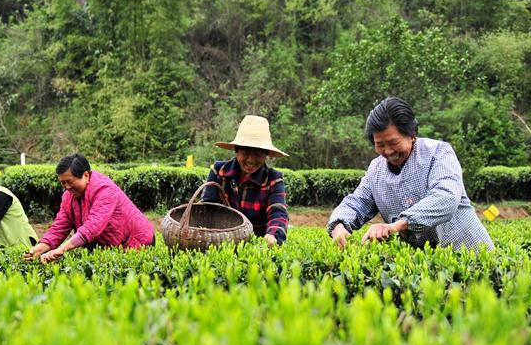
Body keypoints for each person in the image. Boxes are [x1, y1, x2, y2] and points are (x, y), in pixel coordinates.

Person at [328, 97, 494, 252]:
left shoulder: (438, 153)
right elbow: (357, 202)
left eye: (394, 142)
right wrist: (339, 224)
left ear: (412, 134)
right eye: (380, 145)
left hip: (471, 256)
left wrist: (396, 226)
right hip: (426, 266)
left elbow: (446, 196)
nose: (388, 151)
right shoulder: (375, 170)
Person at [24, 154, 155, 263]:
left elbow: (93, 227)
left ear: (86, 175)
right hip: (110, 246)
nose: (67, 187)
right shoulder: (68, 196)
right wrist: (40, 248)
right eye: (63, 183)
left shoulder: (105, 189)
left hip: (138, 243)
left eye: (69, 181)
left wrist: (62, 249)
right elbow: (60, 227)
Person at [201, 115, 289, 246]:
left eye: (258, 153)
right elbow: (207, 208)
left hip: (256, 245)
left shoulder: (273, 179)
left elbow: (278, 213)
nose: (251, 160)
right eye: (245, 152)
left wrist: (272, 235)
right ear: (236, 150)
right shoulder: (219, 171)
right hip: (221, 242)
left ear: (266, 155)